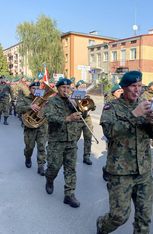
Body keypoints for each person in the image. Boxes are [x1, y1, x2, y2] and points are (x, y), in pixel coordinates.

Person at [97, 71, 153, 234]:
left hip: (144, 171)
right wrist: (134, 115)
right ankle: (102, 225)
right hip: (120, 172)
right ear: (124, 88)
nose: (137, 90)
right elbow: (110, 132)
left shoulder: (144, 104)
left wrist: (151, 123)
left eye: (140, 86)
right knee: (119, 217)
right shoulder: (111, 107)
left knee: (144, 218)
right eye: (133, 86)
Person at [44, 78, 82, 208]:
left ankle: (69, 195)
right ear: (58, 88)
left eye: (68, 88)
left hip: (71, 140)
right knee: (54, 167)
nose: (66, 90)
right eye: (63, 88)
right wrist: (67, 118)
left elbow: (83, 113)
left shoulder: (72, 101)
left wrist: (80, 105)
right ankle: (49, 179)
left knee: (71, 168)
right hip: (56, 140)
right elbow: (49, 117)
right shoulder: (52, 101)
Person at [16, 81, 47, 174]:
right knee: (29, 147)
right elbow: (18, 108)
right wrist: (30, 106)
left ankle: (41, 165)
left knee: (42, 147)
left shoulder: (44, 99)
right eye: (34, 88)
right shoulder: (25, 98)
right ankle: (28, 157)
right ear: (30, 89)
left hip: (42, 126)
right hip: (30, 127)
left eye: (38, 88)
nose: (36, 90)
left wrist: (47, 104)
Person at [102, 83, 123, 181]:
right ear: (114, 93)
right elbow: (106, 122)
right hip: (112, 132)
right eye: (119, 91)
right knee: (112, 154)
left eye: (121, 91)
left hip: (122, 132)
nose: (121, 92)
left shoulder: (123, 102)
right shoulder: (109, 103)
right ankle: (106, 169)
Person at [74, 80, 95, 165]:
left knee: (88, 138)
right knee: (75, 138)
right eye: (81, 86)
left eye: (84, 86)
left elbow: (93, 107)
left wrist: (91, 105)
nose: (83, 87)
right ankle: (72, 155)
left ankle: (86, 156)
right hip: (77, 118)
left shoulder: (87, 96)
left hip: (87, 118)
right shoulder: (74, 96)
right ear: (77, 87)